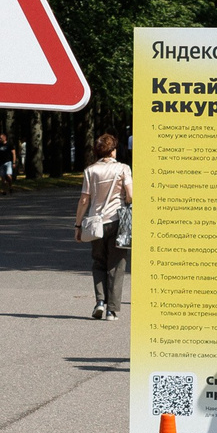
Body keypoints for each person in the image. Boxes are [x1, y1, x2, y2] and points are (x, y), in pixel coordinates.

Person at [74, 134, 133, 319]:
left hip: (96, 224)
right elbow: (130, 195)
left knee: (98, 262)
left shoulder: (90, 171)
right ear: (113, 150)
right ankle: (111, 310)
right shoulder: (123, 168)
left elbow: (84, 200)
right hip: (118, 221)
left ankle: (100, 301)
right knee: (117, 265)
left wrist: (78, 225)